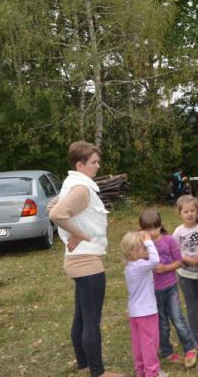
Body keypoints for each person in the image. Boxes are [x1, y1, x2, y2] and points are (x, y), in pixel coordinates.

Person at [49, 141, 120, 377]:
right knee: (91, 321)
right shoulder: (81, 189)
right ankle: (98, 373)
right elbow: (57, 213)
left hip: (78, 259)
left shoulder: (71, 183)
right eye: (94, 162)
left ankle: (84, 365)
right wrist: (78, 233)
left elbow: (53, 206)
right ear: (80, 165)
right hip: (86, 262)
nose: (98, 166)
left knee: (81, 317)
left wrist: (74, 230)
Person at [139, 209, 197, 368]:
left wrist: (166, 268)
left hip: (170, 287)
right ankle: (166, 350)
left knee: (177, 318)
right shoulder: (142, 245)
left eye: (155, 227)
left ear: (160, 226)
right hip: (153, 291)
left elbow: (179, 261)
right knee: (162, 323)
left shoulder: (169, 240)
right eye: (148, 229)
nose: (152, 232)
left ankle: (190, 347)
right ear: (142, 229)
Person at [173, 196, 198, 353]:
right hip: (185, 274)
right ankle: (195, 337)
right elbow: (174, 253)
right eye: (186, 211)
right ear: (180, 213)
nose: (189, 214)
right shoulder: (178, 232)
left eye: (192, 211)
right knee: (191, 305)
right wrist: (188, 260)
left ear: (197, 211)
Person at [121, 230, 162, 377]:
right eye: (143, 247)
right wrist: (149, 241)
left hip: (135, 312)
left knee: (138, 343)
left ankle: (141, 371)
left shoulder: (130, 266)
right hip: (147, 312)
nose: (146, 248)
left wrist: (145, 242)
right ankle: (152, 372)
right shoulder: (139, 265)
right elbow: (155, 260)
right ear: (132, 253)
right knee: (150, 344)